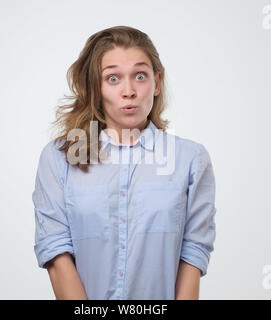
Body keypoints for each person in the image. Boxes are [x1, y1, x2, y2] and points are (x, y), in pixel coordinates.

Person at [32, 26, 217, 300]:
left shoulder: (191, 160)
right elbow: (57, 254)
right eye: (113, 78)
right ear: (95, 86)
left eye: (140, 76)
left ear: (157, 82)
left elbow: (192, 255)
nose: (128, 91)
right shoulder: (59, 158)